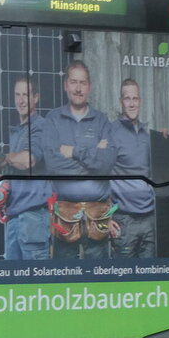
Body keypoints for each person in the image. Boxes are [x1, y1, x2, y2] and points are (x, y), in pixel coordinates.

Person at [40, 60, 117, 259]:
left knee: (99, 278)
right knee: (64, 278)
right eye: (74, 82)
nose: (78, 88)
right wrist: (94, 154)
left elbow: (107, 164)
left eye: (82, 83)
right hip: (64, 215)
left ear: (89, 87)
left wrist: (73, 152)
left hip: (98, 215)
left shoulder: (102, 121)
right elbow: (53, 164)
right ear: (66, 85)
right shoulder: (53, 119)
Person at [109, 79, 162, 258]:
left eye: (135, 98)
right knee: (124, 279)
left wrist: (165, 142)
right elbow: (97, 176)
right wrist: (105, 216)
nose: (131, 103)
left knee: (150, 276)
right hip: (124, 220)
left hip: (149, 218)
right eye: (127, 99)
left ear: (140, 101)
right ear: (120, 102)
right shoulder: (110, 133)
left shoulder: (148, 135)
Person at [2, 75, 51, 260]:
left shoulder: (42, 126)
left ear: (36, 98)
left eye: (26, 95)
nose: (21, 100)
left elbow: (28, 160)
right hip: (14, 216)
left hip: (34, 217)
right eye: (17, 95)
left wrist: (5, 158)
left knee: (36, 280)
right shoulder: (17, 132)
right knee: (11, 283)